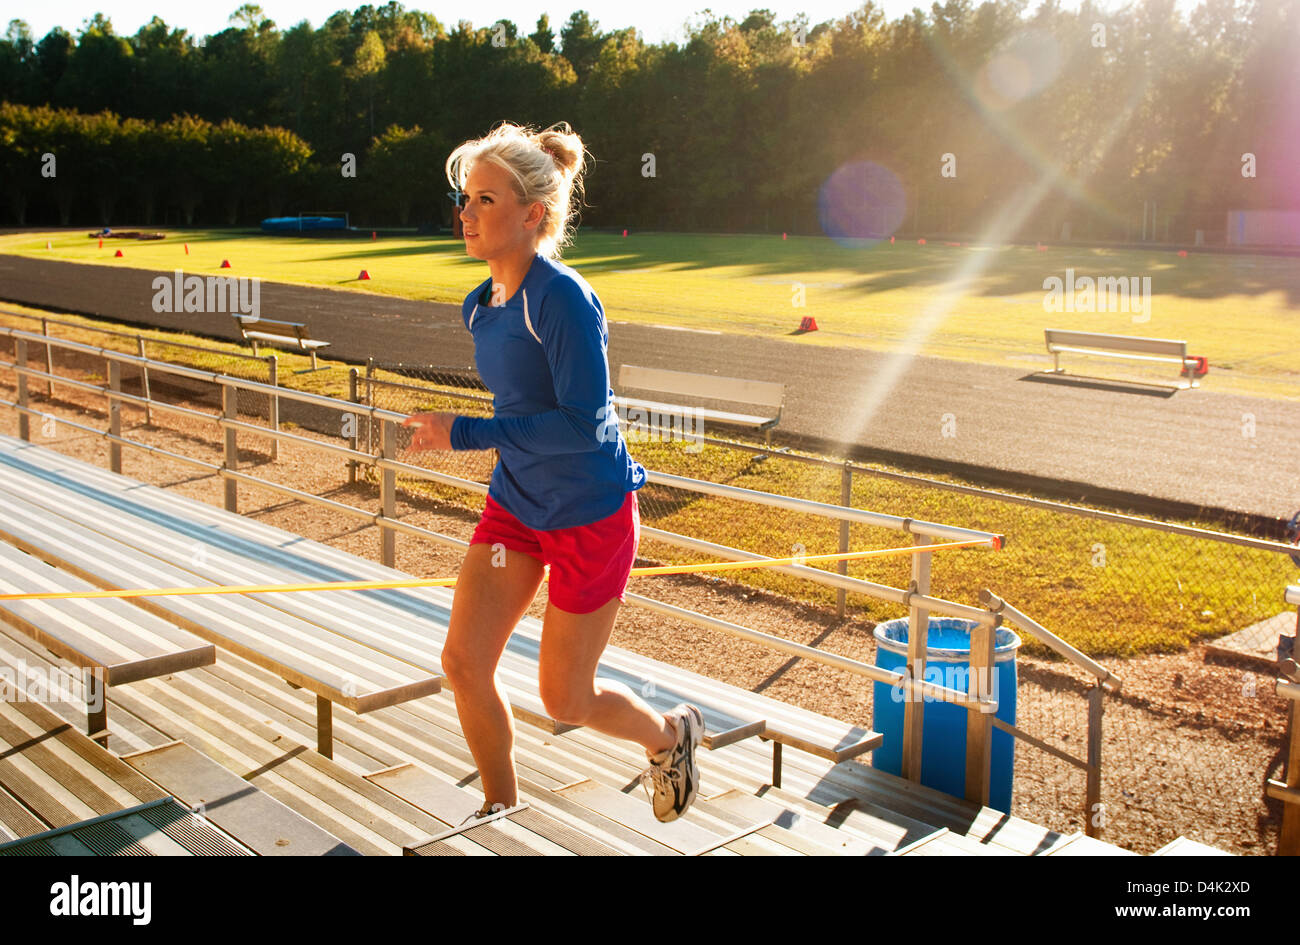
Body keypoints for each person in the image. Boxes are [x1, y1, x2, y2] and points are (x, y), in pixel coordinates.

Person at [403, 120, 703, 825]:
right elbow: (524, 406)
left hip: (590, 513)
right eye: (465, 198)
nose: (466, 213)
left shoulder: (562, 298)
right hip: (518, 505)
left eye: (484, 199)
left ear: (532, 214)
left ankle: (670, 735)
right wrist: (476, 435)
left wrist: (465, 431)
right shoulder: (482, 307)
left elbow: (582, 423)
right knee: (463, 663)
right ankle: (499, 811)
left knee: (565, 699)